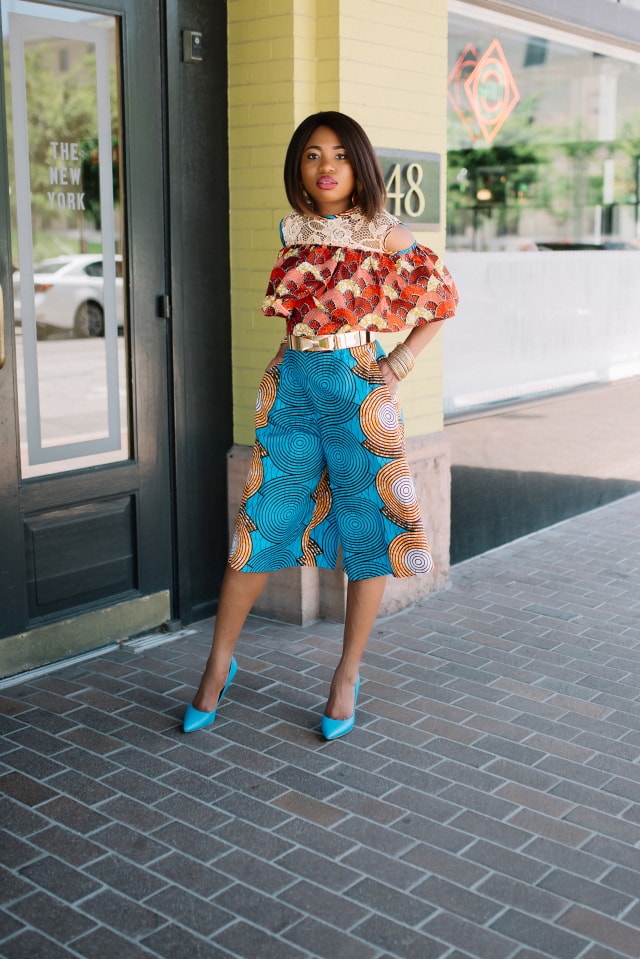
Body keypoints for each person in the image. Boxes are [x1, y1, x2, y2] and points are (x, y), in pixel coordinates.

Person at [183, 111, 458, 740]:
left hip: (359, 385)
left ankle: (346, 675)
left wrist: (400, 361)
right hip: (293, 385)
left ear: (358, 166)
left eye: (337, 154)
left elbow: (441, 299)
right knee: (264, 519)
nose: (325, 166)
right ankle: (217, 665)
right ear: (299, 170)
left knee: (368, 526)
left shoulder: (385, 234)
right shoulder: (293, 231)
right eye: (312, 155)